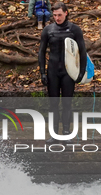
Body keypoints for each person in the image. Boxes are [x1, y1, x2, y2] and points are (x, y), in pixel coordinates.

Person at [38, 2, 86, 139]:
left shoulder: (74, 29)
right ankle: (54, 134)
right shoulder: (48, 30)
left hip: (68, 72)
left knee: (67, 103)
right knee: (53, 104)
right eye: (54, 15)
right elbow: (41, 52)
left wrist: (81, 72)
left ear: (66, 13)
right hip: (52, 71)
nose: (57, 18)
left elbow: (82, 51)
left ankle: (66, 132)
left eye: (59, 15)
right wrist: (42, 72)